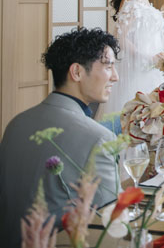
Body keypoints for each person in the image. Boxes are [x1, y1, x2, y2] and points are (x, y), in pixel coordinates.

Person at [0, 28, 120, 248]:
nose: (115, 76)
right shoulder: (99, 138)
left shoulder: (15, 124)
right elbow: (112, 222)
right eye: (108, 66)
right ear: (77, 72)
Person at [104, 0, 164, 118]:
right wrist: (147, 57)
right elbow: (120, 38)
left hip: (151, 67)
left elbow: (151, 29)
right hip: (138, 67)